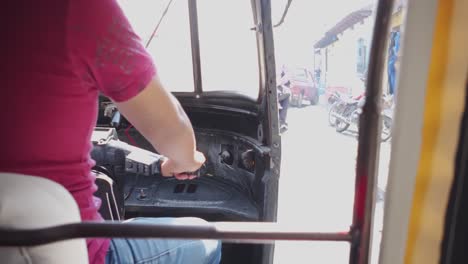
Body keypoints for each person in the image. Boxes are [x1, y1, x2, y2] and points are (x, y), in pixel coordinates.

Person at [1, 1, 221, 264]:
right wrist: (185, 160)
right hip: (79, 251)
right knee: (206, 240)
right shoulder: (76, 9)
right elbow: (172, 131)